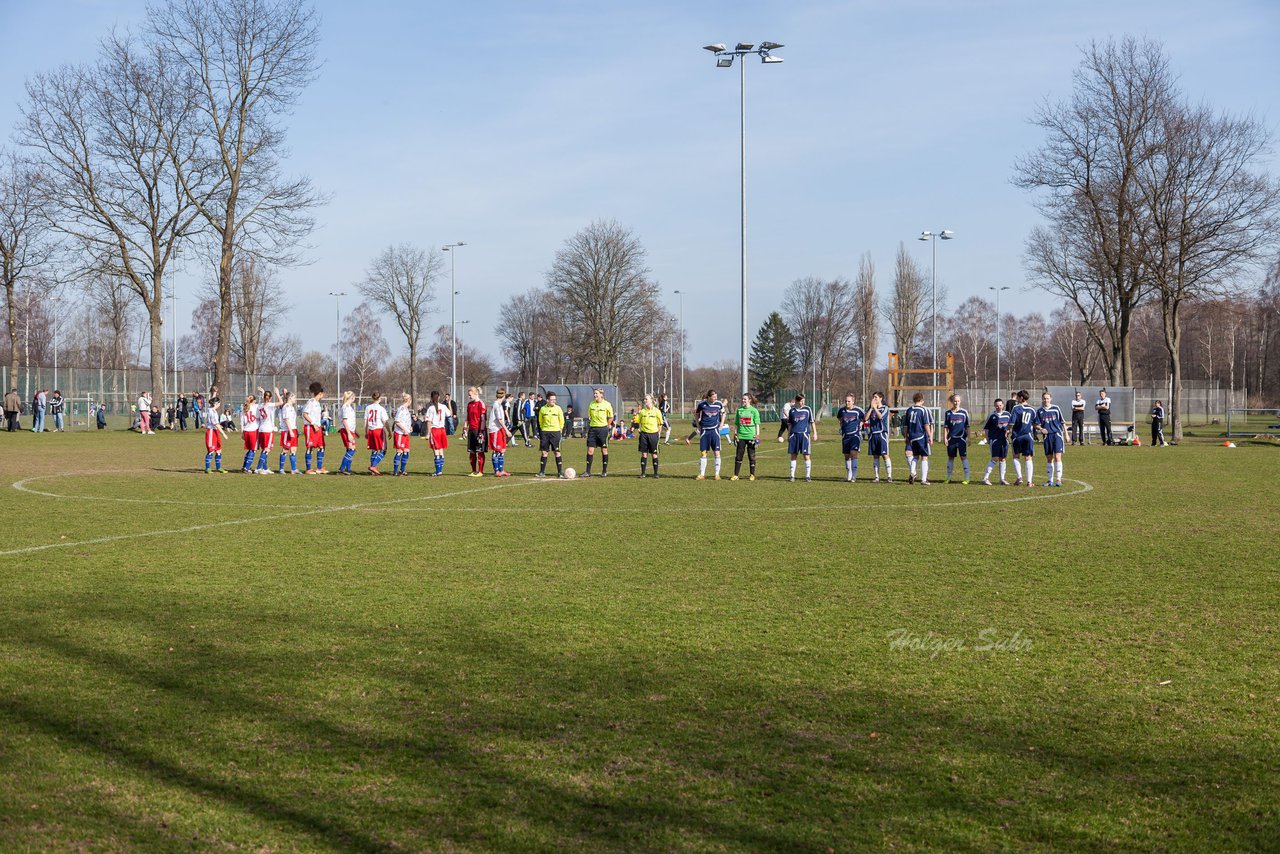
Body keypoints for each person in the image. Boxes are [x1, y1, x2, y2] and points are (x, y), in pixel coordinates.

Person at [693, 389, 726, 480]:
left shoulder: (719, 404)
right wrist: (698, 425)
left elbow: (724, 413)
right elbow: (696, 414)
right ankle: (702, 474)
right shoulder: (702, 404)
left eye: (716, 396)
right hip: (704, 432)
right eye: (714, 396)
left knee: (717, 452)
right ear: (709, 397)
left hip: (714, 431)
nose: (715, 398)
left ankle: (717, 474)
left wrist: (722, 424)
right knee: (703, 453)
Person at [902, 392, 933, 485]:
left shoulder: (909, 410)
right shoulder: (923, 410)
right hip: (921, 436)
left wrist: (906, 436)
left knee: (915, 456)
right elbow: (926, 424)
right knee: (924, 457)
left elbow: (906, 425)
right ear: (921, 400)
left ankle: (912, 472)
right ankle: (924, 480)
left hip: (911, 437)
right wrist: (930, 436)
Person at [981, 397, 1013, 486]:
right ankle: (985, 478)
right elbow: (986, 428)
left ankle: (1002, 479)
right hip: (995, 440)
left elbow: (1011, 426)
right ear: (994, 406)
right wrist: (988, 439)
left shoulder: (1007, 414)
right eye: (996, 406)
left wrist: (1008, 432)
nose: (998, 407)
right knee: (995, 458)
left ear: (1003, 405)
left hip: (1004, 440)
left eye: (1000, 405)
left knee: (1003, 459)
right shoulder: (992, 416)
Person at [1036, 392, 1066, 487]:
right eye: (1044, 398)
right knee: (1049, 458)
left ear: (1051, 399)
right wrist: (1041, 429)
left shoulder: (1056, 408)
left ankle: (1058, 479)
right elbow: (1035, 424)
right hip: (1047, 436)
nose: (1046, 400)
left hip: (1057, 434)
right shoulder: (1039, 411)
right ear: (1042, 399)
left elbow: (1062, 421)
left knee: (1057, 457)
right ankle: (1050, 480)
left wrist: (1066, 434)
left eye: (1047, 398)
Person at [784, 393, 816, 482]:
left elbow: (812, 422)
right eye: (801, 401)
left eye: (803, 401)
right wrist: (788, 435)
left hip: (805, 435)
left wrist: (815, 433)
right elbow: (790, 424)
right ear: (796, 401)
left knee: (806, 456)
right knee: (793, 455)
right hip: (794, 435)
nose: (802, 403)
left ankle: (808, 476)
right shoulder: (792, 411)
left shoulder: (807, 409)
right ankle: (792, 476)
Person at [1009, 390, 1037, 487]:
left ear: (1021, 398)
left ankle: (1019, 478)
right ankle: (1029, 482)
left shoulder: (1016, 408)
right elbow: (1035, 423)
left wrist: (1007, 430)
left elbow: (1011, 423)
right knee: (1028, 457)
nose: (1016, 399)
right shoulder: (1032, 409)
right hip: (1028, 436)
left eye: (1018, 397)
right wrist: (1041, 428)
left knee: (1016, 456)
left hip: (1017, 436)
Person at [583, 387, 614, 477]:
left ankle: (604, 471)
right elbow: (589, 416)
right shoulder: (591, 404)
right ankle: (587, 472)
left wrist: (607, 426)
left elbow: (611, 417)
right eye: (594, 393)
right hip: (592, 429)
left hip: (603, 430)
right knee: (590, 450)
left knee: (604, 450)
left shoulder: (607, 404)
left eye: (596, 393)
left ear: (601, 394)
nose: (595, 395)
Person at [731, 392, 762, 481]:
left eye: (745, 399)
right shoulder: (739, 410)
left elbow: (757, 424)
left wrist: (757, 435)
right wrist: (735, 434)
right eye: (743, 399)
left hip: (751, 436)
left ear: (749, 400)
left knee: (751, 455)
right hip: (741, 436)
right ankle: (736, 475)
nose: (743, 400)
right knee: (738, 455)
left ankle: (752, 474)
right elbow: (736, 423)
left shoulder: (754, 411)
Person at [836, 394, 865, 483]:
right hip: (845, 435)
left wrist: (861, 424)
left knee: (853, 453)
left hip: (855, 435)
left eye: (849, 401)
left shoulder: (858, 410)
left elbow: (864, 418)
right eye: (846, 401)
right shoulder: (842, 410)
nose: (847, 403)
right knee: (847, 455)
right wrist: (841, 427)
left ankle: (854, 476)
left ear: (853, 401)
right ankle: (849, 475)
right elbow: (840, 419)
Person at [636, 393, 667, 478]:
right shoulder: (642, 411)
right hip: (644, 435)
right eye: (644, 399)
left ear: (651, 400)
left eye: (646, 399)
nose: (645, 400)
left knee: (654, 454)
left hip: (653, 435)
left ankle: (656, 473)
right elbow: (639, 422)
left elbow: (660, 424)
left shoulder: (657, 411)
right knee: (644, 454)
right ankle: (643, 473)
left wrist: (658, 433)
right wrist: (640, 429)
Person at [942, 393, 971, 484]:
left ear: (960, 402)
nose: (956, 402)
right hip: (951, 439)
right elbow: (946, 427)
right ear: (952, 401)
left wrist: (969, 438)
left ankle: (967, 478)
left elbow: (968, 426)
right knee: (951, 457)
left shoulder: (964, 412)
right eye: (955, 401)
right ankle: (948, 477)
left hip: (961, 439)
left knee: (963, 457)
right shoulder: (948, 413)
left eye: (958, 401)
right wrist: (945, 438)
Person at [536, 391, 566, 478]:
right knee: (544, 452)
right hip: (545, 432)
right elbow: (540, 421)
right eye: (552, 400)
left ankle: (560, 472)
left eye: (554, 400)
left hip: (555, 433)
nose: (553, 401)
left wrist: (559, 430)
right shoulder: (543, 409)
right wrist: (543, 429)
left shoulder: (558, 408)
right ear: (547, 400)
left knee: (557, 452)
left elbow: (562, 421)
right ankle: (542, 472)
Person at [865, 392, 893, 483]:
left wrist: (875, 409)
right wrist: (871, 408)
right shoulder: (871, 408)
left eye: (876, 397)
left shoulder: (885, 408)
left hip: (881, 434)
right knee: (875, 456)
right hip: (873, 434)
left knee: (885, 455)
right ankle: (877, 477)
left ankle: (889, 476)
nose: (874, 399)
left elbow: (881, 417)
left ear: (881, 398)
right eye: (873, 397)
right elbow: (865, 418)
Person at [302, 382, 327, 474]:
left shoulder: (317, 403)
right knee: (310, 447)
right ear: (320, 393)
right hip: (310, 428)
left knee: (321, 447)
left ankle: (319, 468)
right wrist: (313, 424)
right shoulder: (311, 402)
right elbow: (305, 414)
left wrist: (319, 425)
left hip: (318, 428)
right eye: (322, 393)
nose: (323, 395)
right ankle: (308, 469)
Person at [488, 388, 513, 477]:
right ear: (503, 395)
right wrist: (507, 430)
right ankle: (496, 471)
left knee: (502, 450)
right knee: (496, 450)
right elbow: (499, 419)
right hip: (495, 430)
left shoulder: (499, 404)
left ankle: (501, 470)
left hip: (500, 429)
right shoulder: (496, 405)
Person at [424, 390, 449, 476]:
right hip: (442, 430)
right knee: (441, 450)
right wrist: (449, 403)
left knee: (436, 451)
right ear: (438, 397)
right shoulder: (444, 406)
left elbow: (428, 422)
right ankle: (440, 470)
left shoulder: (430, 408)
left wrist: (427, 433)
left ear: (431, 398)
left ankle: (438, 471)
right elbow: (450, 414)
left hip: (435, 430)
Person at [254, 388, 279, 474]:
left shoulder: (260, 405)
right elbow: (281, 402)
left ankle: (265, 468)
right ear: (270, 398)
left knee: (264, 449)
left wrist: (263, 392)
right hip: (268, 430)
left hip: (261, 429)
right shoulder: (270, 405)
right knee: (267, 450)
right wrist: (278, 393)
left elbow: (264, 400)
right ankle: (258, 468)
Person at [465, 386, 487, 477]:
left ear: (475, 394)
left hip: (479, 430)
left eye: (470, 395)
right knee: (472, 452)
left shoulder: (481, 404)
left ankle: (480, 471)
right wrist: (465, 428)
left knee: (480, 451)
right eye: (468, 395)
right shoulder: (469, 405)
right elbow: (468, 418)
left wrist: (481, 432)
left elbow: (483, 419)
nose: (469, 397)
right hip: (471, 431)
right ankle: (473, 471)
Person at [365, 391, 389, 475]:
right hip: (378, 430)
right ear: (380, 399)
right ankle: (373, 466)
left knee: (374, 450)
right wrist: (389, 431)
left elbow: (366, 421)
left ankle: (372, 470)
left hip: (371, 430)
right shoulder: (381, 408)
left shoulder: (368, 408)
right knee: (383, 450)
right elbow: (385, 421)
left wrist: (366, 432)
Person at [277, 390, 300, 474]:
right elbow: (286, 419)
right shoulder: (286, 407)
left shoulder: (291, 407)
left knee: (293, 450)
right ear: (290, 398)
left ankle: (293, 469)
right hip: (287, 430)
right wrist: (290, 430)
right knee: (285, 449)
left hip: (293, 429)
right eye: (294, 397)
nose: (295, 399)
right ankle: (281, 469)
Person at [203, 398, 228, 473]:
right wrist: (223, 433)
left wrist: (214, 394)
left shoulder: (210, 409)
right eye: (219, 403)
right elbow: (216, 424)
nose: (219, 405)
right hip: (211, 431)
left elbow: (210, 402)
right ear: (215, 404)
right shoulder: (212, 412)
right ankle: (207, 468)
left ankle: (218, 467)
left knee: (218, 449)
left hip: (215, 431)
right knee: (211, 450)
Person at [337, 390, 359, 475]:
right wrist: (349, 433)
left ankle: (348, 469)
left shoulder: (348, 407)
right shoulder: (345, 407)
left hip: (350, 430)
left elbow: (350, 421)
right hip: (346, 431)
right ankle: (341, 469)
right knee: (352, 450)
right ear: (352, 398)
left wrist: (355, 431)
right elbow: (345, 421)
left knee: (350, 449)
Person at [392, 392, 414, 476]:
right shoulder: (401, 408)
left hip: (406, 433)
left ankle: (402, 470)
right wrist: (404, 429)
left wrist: (409, 427)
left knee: (406, 451)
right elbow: (397, 421)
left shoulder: (406, 409)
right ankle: (395, 471)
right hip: (400, 433)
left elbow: (405, 421)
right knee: (399, 451)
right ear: (409, 400)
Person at [239, 394, 259, 472]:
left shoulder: (244, 408)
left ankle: (244, 466)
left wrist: (242, 433)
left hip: (246, 431)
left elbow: (242, 423)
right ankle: (246, 468)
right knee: (253, 450)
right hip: (253, 431)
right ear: (254, 401)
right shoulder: (255, 407)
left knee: (250, 449)